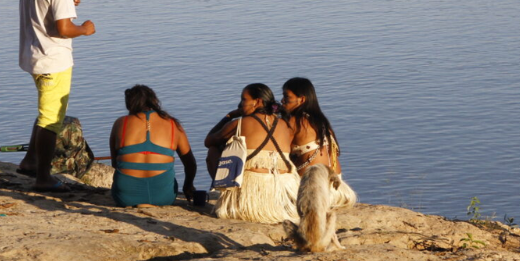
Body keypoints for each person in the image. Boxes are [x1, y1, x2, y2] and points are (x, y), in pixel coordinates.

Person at [16, 0, 96, 192]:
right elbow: (63, 29)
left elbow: (41, 6)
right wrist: (84, 29)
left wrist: (65, 1)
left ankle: (29, 161)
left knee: (45, 112)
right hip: (53, 59)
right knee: (52, 119)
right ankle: (43, 177)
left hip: (32, 53)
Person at [204, 83, 298, 224]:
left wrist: (228, 117)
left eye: (243, 99)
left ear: (258, 101)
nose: (240, 104)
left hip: (251, 199)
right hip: (281, 196)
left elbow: (209, 140)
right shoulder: (284, 124)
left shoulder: (241, 122)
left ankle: (222, 192)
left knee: (213, 150)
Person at [108, 85, 197, 207]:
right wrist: (188, 186)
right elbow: (190, 164)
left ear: (129, 104)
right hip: (164, 197)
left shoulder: (120, 123)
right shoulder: (173, 125)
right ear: (154, 101)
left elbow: (115, 164)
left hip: (126, 198)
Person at [283, 77, 356, 208]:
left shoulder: (295, 121)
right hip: (337, 191)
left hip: (312, 190)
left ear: (302, 99)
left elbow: (279, 152)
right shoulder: (322, 122)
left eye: (287, 97)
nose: (282, 101)